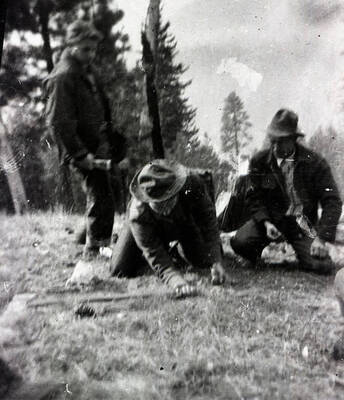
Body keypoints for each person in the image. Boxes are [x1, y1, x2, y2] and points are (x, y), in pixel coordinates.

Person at [44, 20, 125, 258]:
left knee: (102, 191)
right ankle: (96, 248)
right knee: (101, 194)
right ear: (71, 45)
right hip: (82, 149)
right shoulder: (63, 77)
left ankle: (86, 237)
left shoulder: (83, 71)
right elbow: (58, 122)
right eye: (86, 49)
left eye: (93, 49)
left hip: (95, 144)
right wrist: (80, 155)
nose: (91, 54)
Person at [230, 109, 342, 274]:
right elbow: (254, 197)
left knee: (321, 265)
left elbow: (332, 201)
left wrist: (322, 238)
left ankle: (304, 253)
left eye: (281, 141)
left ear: (294, 139)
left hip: (302, 226)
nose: (275, 147)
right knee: (241, 242)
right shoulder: (259, 161)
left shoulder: (315, 163)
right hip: (271, 222)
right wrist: (266, 223)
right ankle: (256, 253)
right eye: (272, 140)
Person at [110, 159, 227, 297]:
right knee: (120, 269)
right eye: (159, 206)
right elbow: (153, 253)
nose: (165, 211)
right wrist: (176, 281)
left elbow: (208, 221)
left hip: (183, 221)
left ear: (177, 191)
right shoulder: (138, 214)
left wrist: (215, 260)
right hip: (151, 226)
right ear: (148, 200)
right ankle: (157, 246)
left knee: (203, 261)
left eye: (169, 202)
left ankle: (176, 250)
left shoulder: (193, 183)